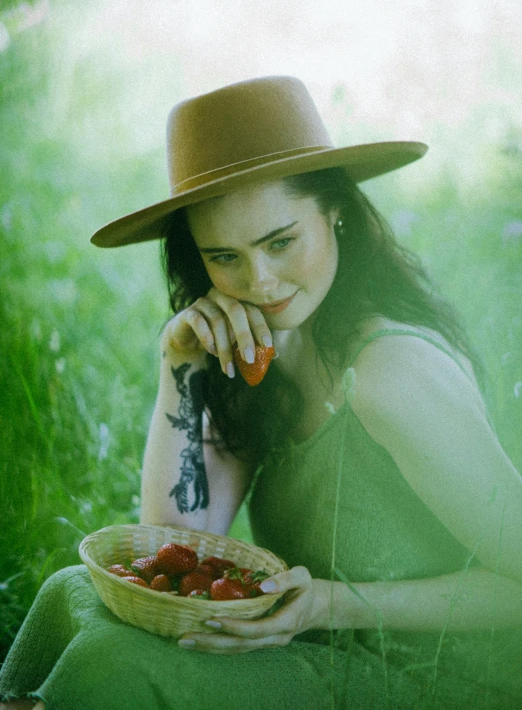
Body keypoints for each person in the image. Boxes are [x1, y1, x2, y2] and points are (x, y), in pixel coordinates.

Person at [1, 75, 521, 710]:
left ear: (335, 209)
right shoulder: (259, 356)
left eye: (281, 242)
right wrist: (181, 369)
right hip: (312, 651)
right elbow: (176, 551)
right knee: (72, 590)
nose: (261, 282)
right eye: (225, 258)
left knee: (112, 661)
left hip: (433, 680)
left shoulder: (393, 371)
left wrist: (332, 604)